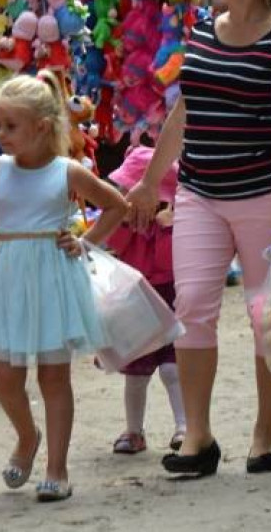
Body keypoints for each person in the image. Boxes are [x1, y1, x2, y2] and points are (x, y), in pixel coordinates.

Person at [125, 0, 271, 478]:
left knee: (267, 316)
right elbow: (185, 109)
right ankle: (198, 437)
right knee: (191, 308)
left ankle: (266, 432)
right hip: (200, 193)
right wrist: (149, 180)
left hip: (265, 196)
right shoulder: (205, 27)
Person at [0, 72, 128, 502]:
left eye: (11, 126)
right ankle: (27, 436)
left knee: (53, 375)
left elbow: (115, 205)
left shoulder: (67, 171)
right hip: (11, 278)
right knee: (4, 374)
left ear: (42, 126)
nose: (1, 134)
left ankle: (57, 468)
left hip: (53, 278)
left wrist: (85, 242)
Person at [105, 146, 186, 456]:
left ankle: (184, 427)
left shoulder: (176, 224)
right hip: (136, 302)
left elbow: (168, 263)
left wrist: (168, 227)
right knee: (136, 373)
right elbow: (115, 244)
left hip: (169, 299)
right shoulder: (125, 221)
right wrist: (124, 221)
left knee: (172, 369)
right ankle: (134, 430)